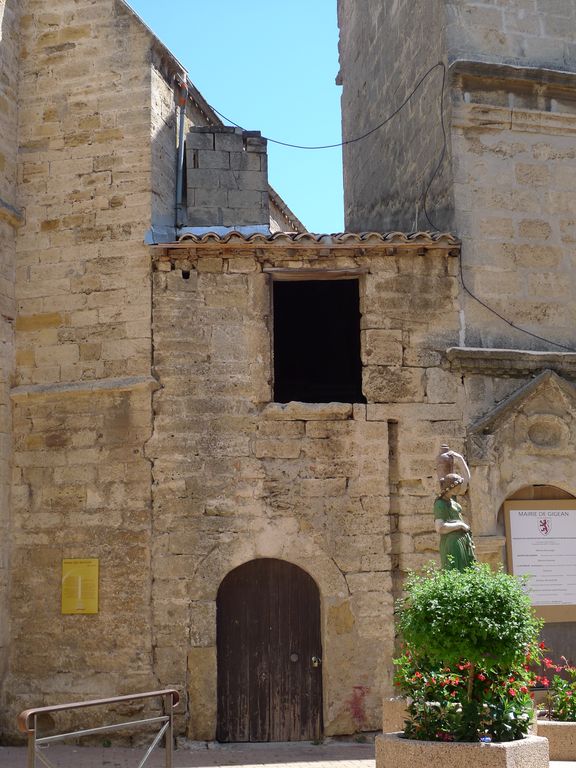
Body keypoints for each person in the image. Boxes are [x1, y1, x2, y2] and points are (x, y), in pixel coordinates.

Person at [434, 448, 476, 570]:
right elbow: (440, 527)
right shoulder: (440, 504)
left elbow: (467, 480)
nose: (459, 489)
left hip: (460, 541)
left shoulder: (453, 499)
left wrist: (460, 460)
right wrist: (460, 525)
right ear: (450, 488)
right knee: (455, 570)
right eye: (456, 487)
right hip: (451, 543)